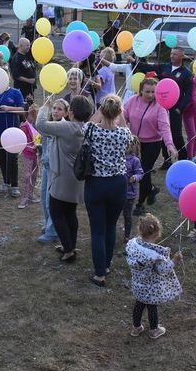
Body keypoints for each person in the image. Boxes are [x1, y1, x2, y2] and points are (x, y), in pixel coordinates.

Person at [36, 95, 92, 263]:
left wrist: (45, 107)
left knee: (56, 212)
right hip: (76, 179)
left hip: (62, 178)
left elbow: (41, 125)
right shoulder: (86, 128)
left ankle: (68, 250)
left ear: (71, 112)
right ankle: (71, 246)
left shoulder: (67, 127)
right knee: (70, 213)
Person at [85, 95, 132, 287]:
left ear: (102, 110)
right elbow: (128, 131)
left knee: (97, 231)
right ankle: (106, 266)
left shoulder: (91, 130)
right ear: (119, 112)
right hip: (118, 184)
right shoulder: (124, 134)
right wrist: (121, 115)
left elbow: (89, 123)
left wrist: (100, 111)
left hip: (96, 184)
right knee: (110, 226)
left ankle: (99, 275)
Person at [123, 78, 178, 215]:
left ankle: (140, 204)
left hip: (152, 144)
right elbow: (123, 117)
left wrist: (169, 145)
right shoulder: (132, 101)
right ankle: (152, 189)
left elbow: (165, 127)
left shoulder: (160, 107)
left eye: (153, 92)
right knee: (133, 170)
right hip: (134, 143)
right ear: (141, 91)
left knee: (143, 172)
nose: (150, 95)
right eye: (147, 91)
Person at [125, 214, 182, 339]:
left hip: (138, 284)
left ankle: (136, 327)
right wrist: (174, 261)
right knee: (152, 307)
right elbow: (162, 269)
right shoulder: (153, 255)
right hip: (151, 287)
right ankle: (154, 330)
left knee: (139, 304)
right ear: (157, 233)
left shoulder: (133, 245)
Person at [135, 47, 193, 161]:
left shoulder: (186, 73)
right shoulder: (164, 67)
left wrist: (180, 108)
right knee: (162, 133)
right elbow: (149, 67)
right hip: (161, 106)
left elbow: (189, 94)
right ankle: (166, 160)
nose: (172, 56)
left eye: (175, 54)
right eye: (171, 53)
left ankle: (183, 158)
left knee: (176, 135)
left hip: (175, 109)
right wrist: (135, 62)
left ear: (182, 56)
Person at [36, 98, 68, 244]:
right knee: (44, 199)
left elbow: (40, 125)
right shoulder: (51, 124)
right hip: (47, 166)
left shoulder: (62, 126)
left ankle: (53, 231)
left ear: (66, 113)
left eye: (59, 109)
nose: (55, 111)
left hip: (56, 169)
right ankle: (49, 223)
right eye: (54, 108)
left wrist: (45, 107)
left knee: (51, 201)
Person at [0, 75, 25, 199]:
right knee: (2, 157)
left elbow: (22, 109)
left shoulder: (15, 92)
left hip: (12, 132)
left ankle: (15, 185)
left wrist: (8, 108)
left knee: (12, 158)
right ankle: (6, 182)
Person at [17, 103, 41, 209]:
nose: (34, 117)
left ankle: (31, 194)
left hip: (36, 153)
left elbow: (40, 137)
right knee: (27, 175)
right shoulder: (24, 126)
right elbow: (23, 142)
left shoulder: (37, 125)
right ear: (28, 114)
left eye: (36, 115)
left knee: (34, 174)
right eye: (33, 115)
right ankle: (25, 196)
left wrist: (38, 146)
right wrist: (31, 147)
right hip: (28, 154)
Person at [122, 136, 144, 244]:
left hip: (129, 193)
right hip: (117, 192)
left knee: (127, 214)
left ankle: (127, 235)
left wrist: (135, 177)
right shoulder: (118, 156)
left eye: (129, 145)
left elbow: (140, 173)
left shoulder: (135, 160)